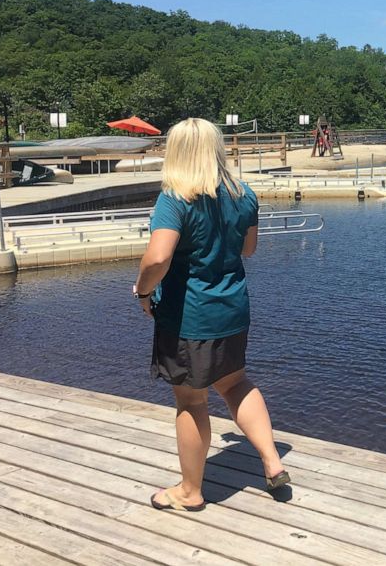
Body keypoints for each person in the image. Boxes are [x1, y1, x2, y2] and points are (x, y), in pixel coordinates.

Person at [134, 117, 289, 512]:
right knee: (236, 383)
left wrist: (144, 289)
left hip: (190, 317)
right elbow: (248, 250)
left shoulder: (176, 198)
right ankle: (272, 462)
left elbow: (157, 257)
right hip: (233, 309)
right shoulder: (244, 194)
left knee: (191, 401)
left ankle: (190, 490)